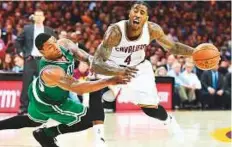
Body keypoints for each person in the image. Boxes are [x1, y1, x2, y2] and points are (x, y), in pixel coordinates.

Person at [0, 33, 136, 147]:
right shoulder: (51, 71)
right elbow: (78, 88)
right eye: (50, 47)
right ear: (42, 52)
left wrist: (107, 67)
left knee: (33, 121)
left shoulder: (64, 44)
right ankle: (47, 134)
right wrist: (110, 80)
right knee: (89, 119)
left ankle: (39, 134)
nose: (56, 47)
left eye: (54, 42)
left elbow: (85, 57)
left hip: (39, 91)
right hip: (50, 102)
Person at [92, 2, 198, 142]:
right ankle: (98, 139)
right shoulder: (115, 32)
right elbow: (96, 64)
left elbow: (172, 47)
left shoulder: (152, 29)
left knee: (151, 109)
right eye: (135, 11)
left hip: (138, 68)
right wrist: (118, 71)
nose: (137, 14)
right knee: (94, 89)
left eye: (142, 13)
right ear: (129, 13)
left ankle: (170, 122)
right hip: (112, 66)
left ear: (146, 18)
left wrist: (195, 52)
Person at [15, 9, 57, 115]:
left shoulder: (49, 31)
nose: (38, 17)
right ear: (34, 17)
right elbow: (17, 41)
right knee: (26, 84)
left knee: (44, 85)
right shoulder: (27, 29)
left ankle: (45, 108)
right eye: (36, 15)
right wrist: (22, 54)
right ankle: (23, 107)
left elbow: (55, 45)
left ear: (43, 17)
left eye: (40, 15)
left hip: (43, 61)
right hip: (30, 59)